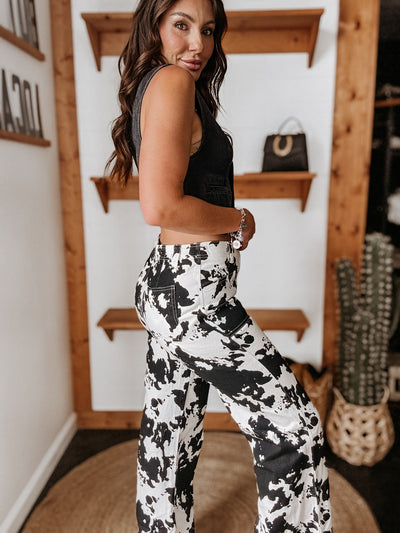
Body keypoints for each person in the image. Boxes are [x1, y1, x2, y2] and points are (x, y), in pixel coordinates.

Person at [106, 0, 332, 531]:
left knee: (170, 432)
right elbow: (160, 206)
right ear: (154, 25)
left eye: (207, 30)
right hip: (193, 293)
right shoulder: (172, 83)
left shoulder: (156, 84)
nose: (198, 45)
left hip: (171, 285)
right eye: (181, 26)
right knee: (293, 428)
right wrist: (238, 219)